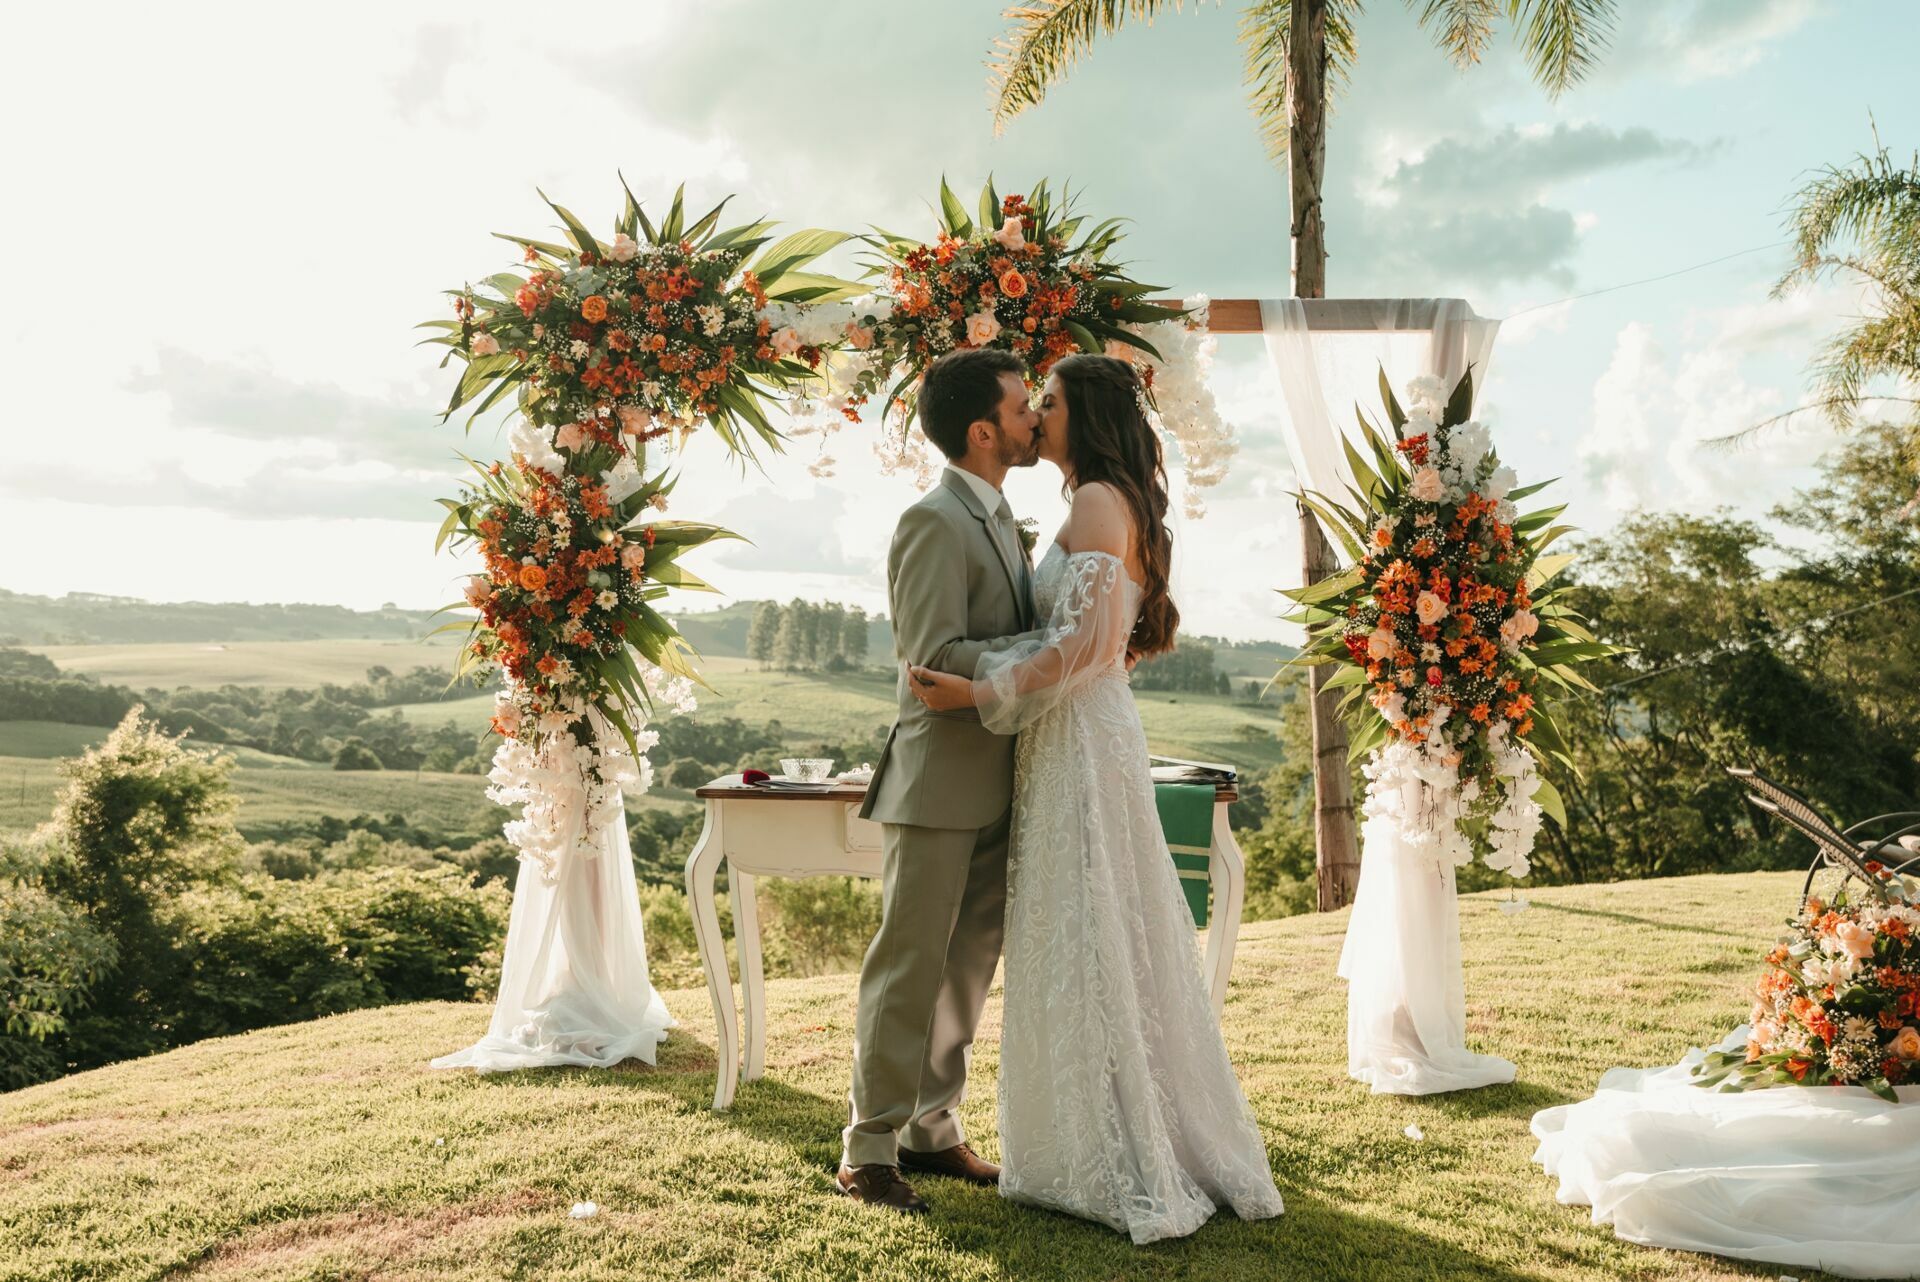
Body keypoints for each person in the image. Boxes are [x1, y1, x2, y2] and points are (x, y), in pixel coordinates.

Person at [906, 354, 1283, 1243]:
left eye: (1052, 401)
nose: (1039, 412)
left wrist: (976, 692)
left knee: (1092, 927)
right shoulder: (1107, 501)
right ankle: (1096, 1128)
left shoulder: (1097, 502)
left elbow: (1081, 646)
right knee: (1089, 928)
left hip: (1077, 735)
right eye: (1032, 399)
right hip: (1075, 734)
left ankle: (1112, 1146)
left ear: (1087, 417)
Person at [837, 347, 1043, 1212]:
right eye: (1024, 407)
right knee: (910, 965)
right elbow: (932, 659)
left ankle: (930, 1129)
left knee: (966, 967)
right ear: (983, 430)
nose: (1037, 418)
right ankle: (867, 1150)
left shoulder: (997, 515)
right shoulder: (933, 520)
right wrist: (1048, 656)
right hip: (936, 780)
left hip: (1000, 776)